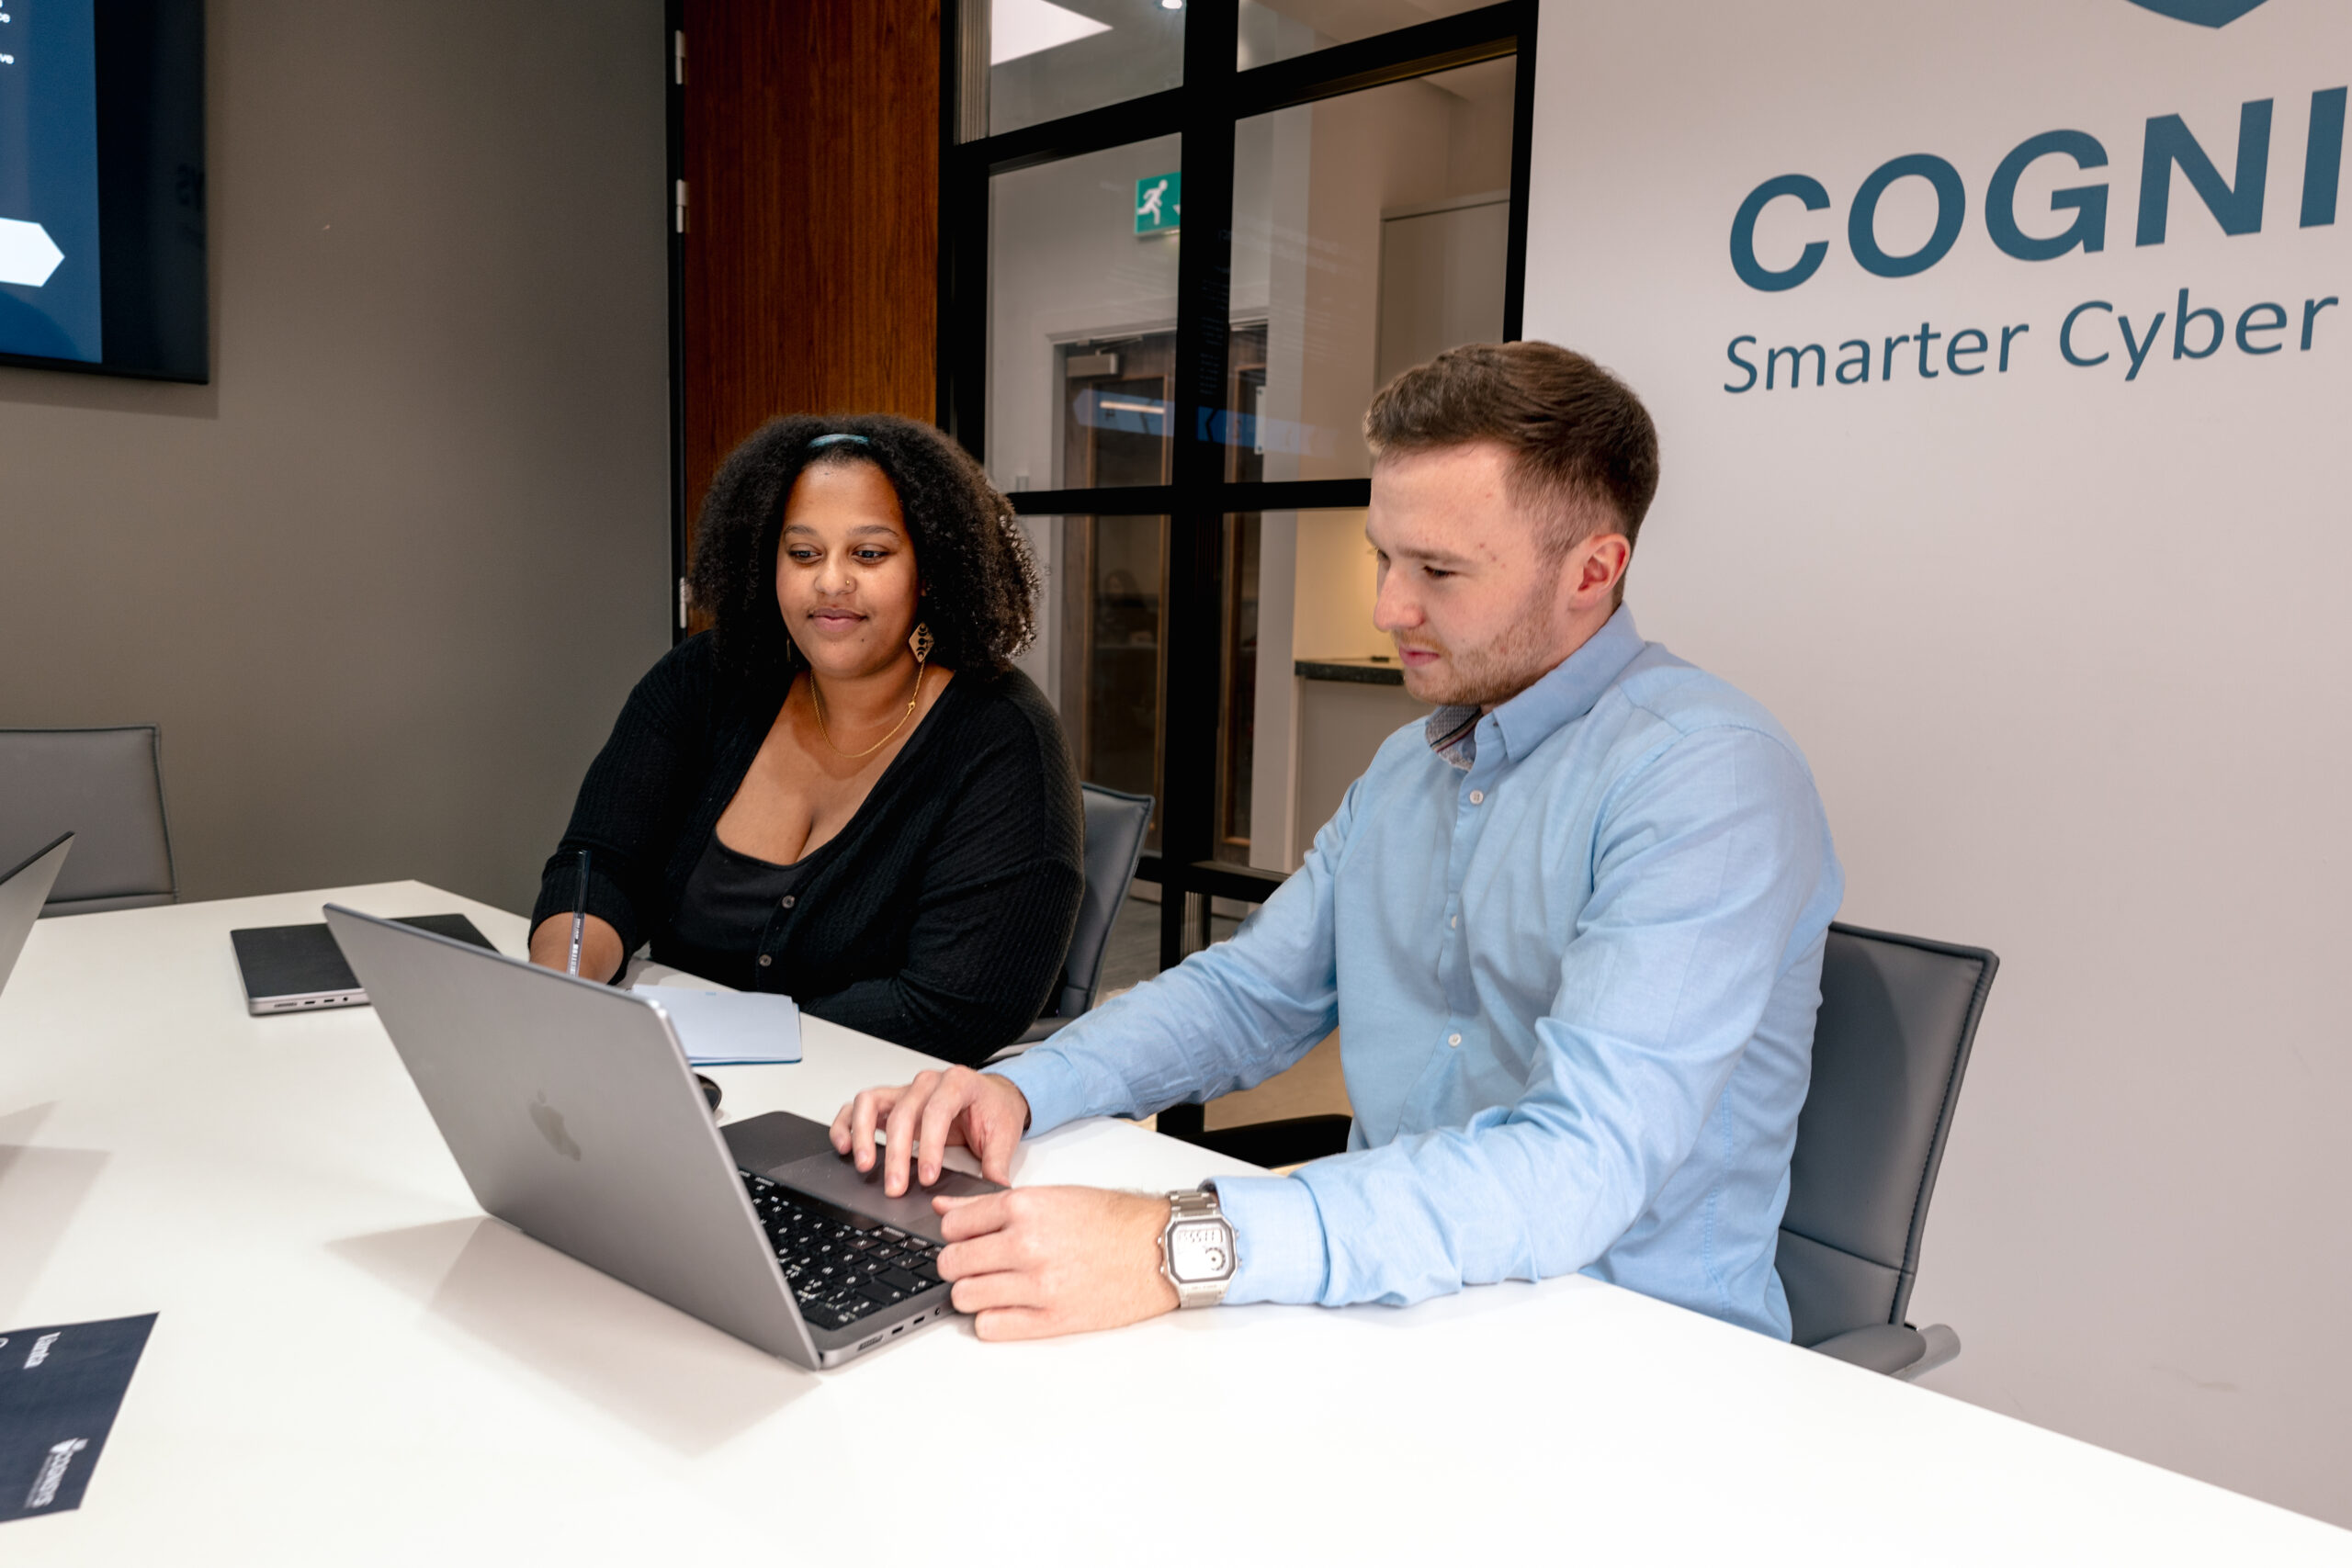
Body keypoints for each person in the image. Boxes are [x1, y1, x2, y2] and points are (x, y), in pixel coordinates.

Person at [831, 343, 1844, 1341]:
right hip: (1399, 1298)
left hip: (1634, 1355)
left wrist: (1174, 1244)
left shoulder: (1707, 780)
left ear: (1593, 569)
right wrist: (1019, 1086)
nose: (1385, 609)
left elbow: (1578, 1168)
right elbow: (1252, 994)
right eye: (1383, 556)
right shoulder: (1413, 764)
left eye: (1438, 570)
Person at [528, 414, 1084, 1066]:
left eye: (869, 553)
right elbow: (601, 863)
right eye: (804, 553)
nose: (830, 582)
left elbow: (952, 1006)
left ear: (929, 570)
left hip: (871, 1121)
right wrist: (564, 988)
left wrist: (711, 1042)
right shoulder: (707, 677)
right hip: (673, 1084)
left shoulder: (1003, 741)